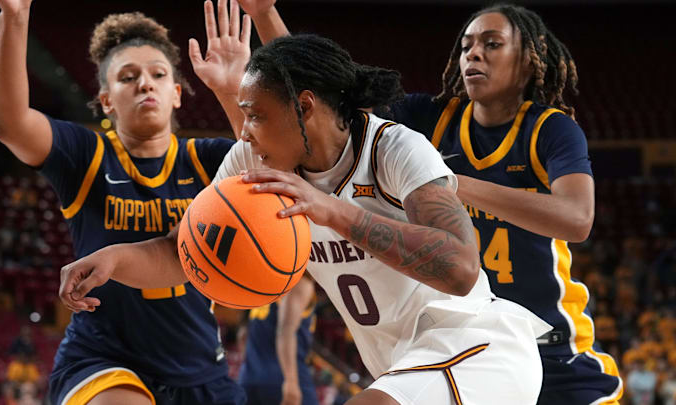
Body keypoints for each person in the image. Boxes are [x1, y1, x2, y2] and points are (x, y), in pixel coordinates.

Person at [60, 29, 552, 404]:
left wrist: (336, 212)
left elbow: (462, 270)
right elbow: (183, 250)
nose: (244, 131)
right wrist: (113, 260)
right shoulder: (254, 162)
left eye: (255, 114)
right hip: (400, 367)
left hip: (477, 346)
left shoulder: (395, 148)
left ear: (305, 108)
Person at [234, 2, 623, 403]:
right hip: (455, 333)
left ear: (528, 60)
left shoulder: (550, 128)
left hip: (550, 346)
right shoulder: (431, 118)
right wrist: (265, 15)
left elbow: (577, 219)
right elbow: (323, 104)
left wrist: (449, 180)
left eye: (492, 44)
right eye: (466, 45)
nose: (473, 53)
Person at [0, 0, 251, 403]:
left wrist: (233, 92)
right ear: (107, 100)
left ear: (176, 94)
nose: (145, 83)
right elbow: (12, 124)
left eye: (158, 75)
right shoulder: (86, 155)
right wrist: (15, 17)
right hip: (105, 358)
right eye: (128, 77)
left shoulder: (208, 159)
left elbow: (267, 168)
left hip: (200, 367)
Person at [239, 277, 318, 405]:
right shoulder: (299, 281)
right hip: (283, 378)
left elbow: (242, 335)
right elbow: (285, 331)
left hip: (249, 377)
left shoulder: (269, 281)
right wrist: (291, 382)